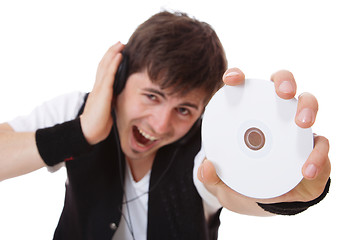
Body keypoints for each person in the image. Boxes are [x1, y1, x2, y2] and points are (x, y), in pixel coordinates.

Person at [0, 11, 331, 240]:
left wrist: (290, 195)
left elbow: (228, 193)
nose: (160, 125)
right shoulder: (78, 109)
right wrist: (82, 131)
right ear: (118, 79)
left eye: (184, 109)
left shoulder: (211, 148)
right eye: (152, 96)